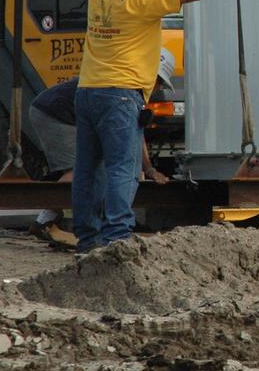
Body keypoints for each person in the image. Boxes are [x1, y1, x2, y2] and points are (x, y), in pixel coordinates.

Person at [72, 0, 242, 252]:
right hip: (120, 93)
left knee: (87, 169)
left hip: (87, 91)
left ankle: (87, 238)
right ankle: (116, 239)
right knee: (123, 168)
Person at [29, 51, 176, 247]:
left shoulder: (127, 83)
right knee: (79, 172)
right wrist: (148, 169)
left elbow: (134, 134)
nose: (157, 87)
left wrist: (148, 169)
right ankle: (43, 220)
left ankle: (87, 227)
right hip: (53, 115)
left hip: (67, 111)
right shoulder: (126, 85)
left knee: (94, 171)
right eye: (158, 81)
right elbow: (135, 136)